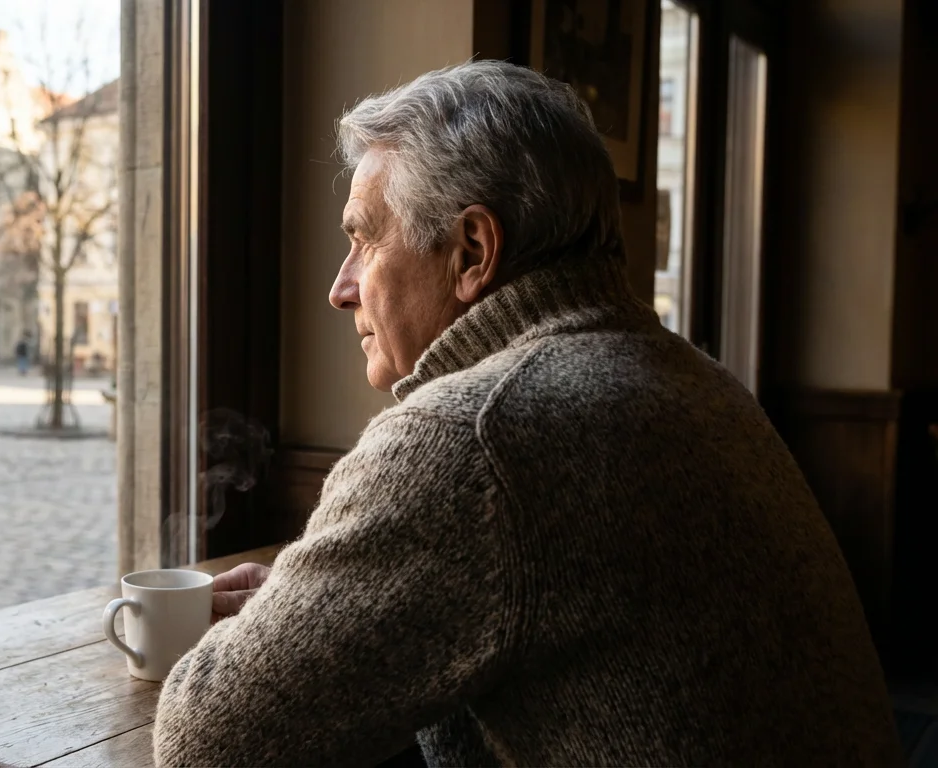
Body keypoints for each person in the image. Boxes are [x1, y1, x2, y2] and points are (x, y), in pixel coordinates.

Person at [153, 61, 900, 766]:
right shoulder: (688, 378)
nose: (340, 288)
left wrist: (264, 632)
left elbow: (205, 741)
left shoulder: (473, 437)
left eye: (362, 238)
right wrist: (307, 607)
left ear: (473, 251)